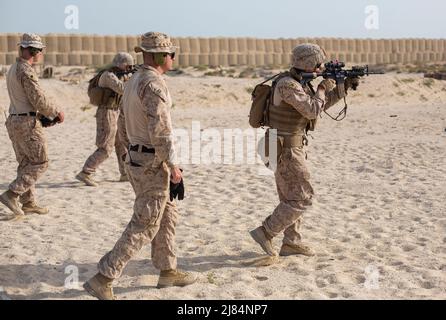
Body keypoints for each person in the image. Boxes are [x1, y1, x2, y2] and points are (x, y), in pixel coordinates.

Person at [83, 32, 197, 300]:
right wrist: (173, 165)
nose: (173, 57)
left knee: (167, 215)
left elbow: (122, 122)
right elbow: (160, 130)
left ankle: (167, 270)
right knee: (145, 223)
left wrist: (128, 155)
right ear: (159, 56)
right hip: (152, 162)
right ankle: (104, 277)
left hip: (138, 157)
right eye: (170, 54)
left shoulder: (133, 80)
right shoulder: (152, 84)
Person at [250, 43, 359, 257]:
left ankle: (291, 242)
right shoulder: (287, 85)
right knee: (303, 197)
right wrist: (321, 88)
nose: (320, 68)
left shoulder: (299, 83)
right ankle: (265, 232)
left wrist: (342, 86)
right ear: (308, 63)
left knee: (290, 197)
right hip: (285, 148)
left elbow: (321, 106)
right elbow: (311, 110)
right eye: (318, 64)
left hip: (287, 145)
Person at [0, 33, 64, 220]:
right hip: (26, 123)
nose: (41, 54)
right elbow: (37, 99)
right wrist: (55, 112)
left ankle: (28, 202)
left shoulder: (13, 68)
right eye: (40, 51)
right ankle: (12, 194)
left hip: (14, 120)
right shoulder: (26, 70)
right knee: (40, 162)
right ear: (34, 51)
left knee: (26, 163)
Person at [76, 52, 134, 187]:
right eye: (128, 66)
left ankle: (125, 173)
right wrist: (132, 78)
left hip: (116, 111)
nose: (129, 69)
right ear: (123, 64)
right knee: (106, 147)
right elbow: (122, 89)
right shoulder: (108, 76)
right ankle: (86, 172)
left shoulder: (118, 75)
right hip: (106, 112)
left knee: (121, 143)